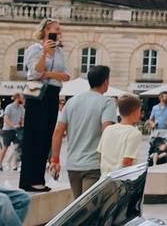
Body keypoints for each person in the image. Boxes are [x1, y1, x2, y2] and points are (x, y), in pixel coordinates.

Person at [19, 17, 71, 192]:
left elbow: (67, 76)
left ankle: (38, 178)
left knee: (46, 136)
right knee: (34, 135)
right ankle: (29, 179)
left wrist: (47, 73)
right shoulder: (35, 48)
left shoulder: (60, 52)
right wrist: (44, 54)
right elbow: (34, 72)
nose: (59, 32)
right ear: (46, 29)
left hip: (52, 94)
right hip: (37, 94)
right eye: (56, 29)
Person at [49, 65, 117, 199]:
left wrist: (55, 160)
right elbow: (107, 131)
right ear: (105, 82)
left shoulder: (71, 102)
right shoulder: (107, 103)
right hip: (94, 165)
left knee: (79, 207)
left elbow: (58, 131)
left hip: (73, 165)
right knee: (90, 209)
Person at [98, 94, 144, 175]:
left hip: (104, 179)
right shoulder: (134, 133)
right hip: (121, 181)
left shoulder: (108, 129)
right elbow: (127, 161)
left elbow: (100, 155)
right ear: (135, 111)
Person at [0, 93, 25, 172]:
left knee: (17, 147)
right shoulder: (9, 107)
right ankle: (0, 164)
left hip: (17, 130)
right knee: (5, 147)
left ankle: (14, 165)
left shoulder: (21, 108)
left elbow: (22, 119)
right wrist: (13, 125)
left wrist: (22, 125)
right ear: (17, 98)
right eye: (22, 98)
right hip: (7, 130)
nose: (23, 99)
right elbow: (5, 118)